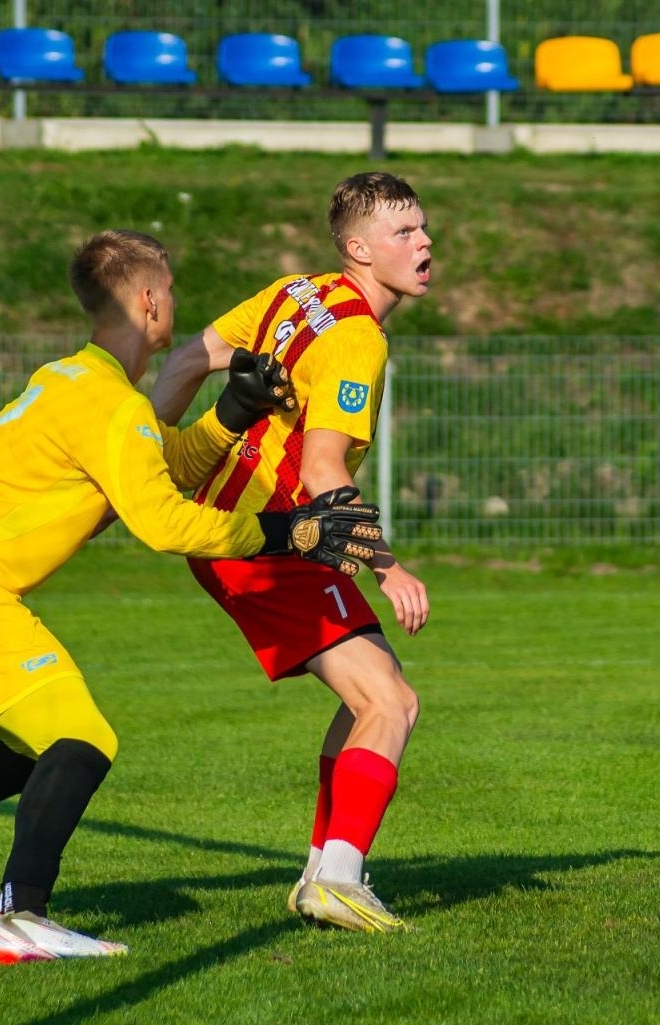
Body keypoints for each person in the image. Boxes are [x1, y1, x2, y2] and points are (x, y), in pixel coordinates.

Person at [0, 229, 361, 964]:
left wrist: (232, 413)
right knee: (82, 740)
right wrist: (290, 535)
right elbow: (165, 520)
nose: (172, 304)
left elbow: (156, 465)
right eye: (167, 291)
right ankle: (20, 915)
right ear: (147, 302)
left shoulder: (73, 378)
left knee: (28, 749)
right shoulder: (110, 403)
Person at [148, 172, 433, 933]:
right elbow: (321, 470)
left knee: (373, 694)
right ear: (358, 249)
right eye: (403, 233)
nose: (424, 243)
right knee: (391, 703)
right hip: (268, 539)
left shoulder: (292, 293)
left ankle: (324, 867)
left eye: (423, 228)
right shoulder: (356, 338)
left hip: (228, 530)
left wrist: (141, 458)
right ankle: (337, 877)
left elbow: (184, 361)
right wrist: (388, 565)